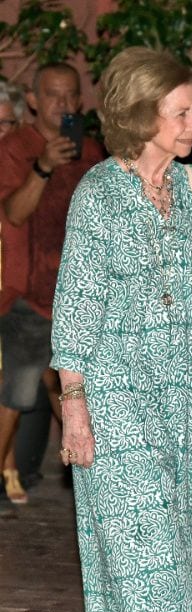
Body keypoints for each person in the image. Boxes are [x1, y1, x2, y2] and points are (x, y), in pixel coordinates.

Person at [50, 47, 192, 612]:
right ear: (142, 114)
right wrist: (74, 403)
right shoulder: (99, 193)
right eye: (180, 112)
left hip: (177, 379)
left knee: (160, 525)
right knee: (139, 521)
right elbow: (75, 303)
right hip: (112, 375)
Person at [0, 64, 103, 505]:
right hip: (31, 293)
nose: (63, 104)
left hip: (81, 294)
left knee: (73, 389)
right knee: (18, 389)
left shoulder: (93, 151)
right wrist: (42, 168)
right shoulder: (16, 146)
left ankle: (93, 475)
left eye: (70, 96)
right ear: (34, 99)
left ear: (80, 101)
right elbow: (14, 214)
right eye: (53, 95)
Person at [0, 80, 28, 504]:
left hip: (16, 280)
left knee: (12, 377)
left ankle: (6, 462)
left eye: (7, 123)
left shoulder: (22, 162)